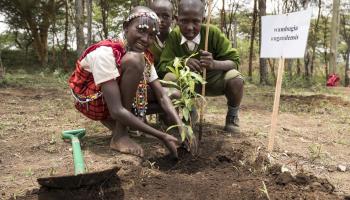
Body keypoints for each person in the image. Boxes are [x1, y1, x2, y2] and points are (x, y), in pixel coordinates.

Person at [68, 6, 183, 158]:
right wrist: (161, 136)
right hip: (92, 101)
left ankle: (123, 124)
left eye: (151, 35)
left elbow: (161, 96)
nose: (145, 39)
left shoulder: (144, 54)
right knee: (135, 61)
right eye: (141, 30)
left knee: (173, 94)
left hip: (112, 96)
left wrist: (183, 129)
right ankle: (119, 136)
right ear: (126, 27)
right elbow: (116, 109)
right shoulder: (105, 52)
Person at [158, 0, 244, 134]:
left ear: (203, 19)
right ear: (176, 19)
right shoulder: (174, 36)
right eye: (184, 21)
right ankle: (187, 112)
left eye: (196, 22)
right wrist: (183, 63)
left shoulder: (212, 33)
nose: (190, 27)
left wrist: (214, 64)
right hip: (187, 85)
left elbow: (234, 62)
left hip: (213, 81)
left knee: (235, 78)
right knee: (169, 77)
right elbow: (163, 65)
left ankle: (232, 117)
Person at [149, 0, 174, 78]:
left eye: (165, 16)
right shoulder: (145, 39)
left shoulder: (177, 38)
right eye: (155, 15)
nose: (160, 20)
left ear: (172, 18)